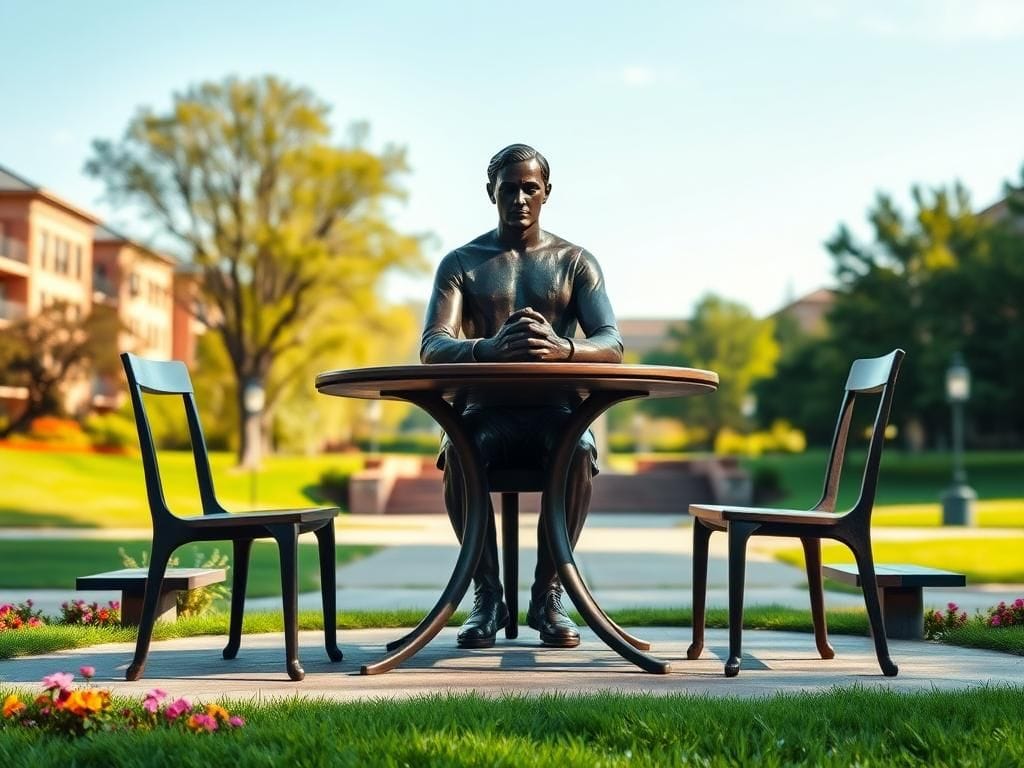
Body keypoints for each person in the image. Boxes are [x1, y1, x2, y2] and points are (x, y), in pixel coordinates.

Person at [420, 143, 623, 649]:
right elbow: (432, 346)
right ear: (490, 192)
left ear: (547, 192)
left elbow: (612, 343)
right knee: (460, 449)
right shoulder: (461, 263)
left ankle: (548, 595)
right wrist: (486, 348)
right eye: (508, 189)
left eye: (530, 188)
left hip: (557, 415)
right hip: (483, 414)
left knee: (579, 450)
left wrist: (564, 348)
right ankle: (487, 596)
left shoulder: (576, 262)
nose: (519, 199)